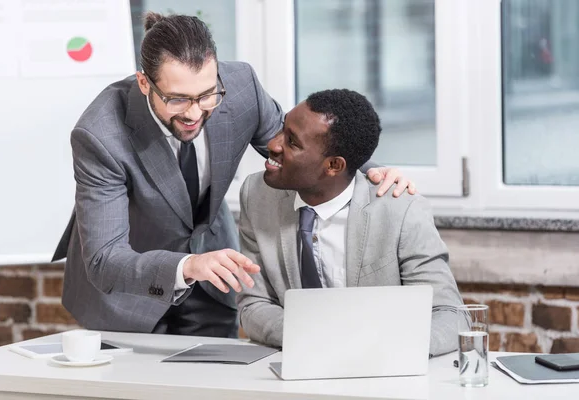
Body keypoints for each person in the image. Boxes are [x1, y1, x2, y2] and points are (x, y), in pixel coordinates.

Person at [52, 12, 416, 338]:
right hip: (126, 295)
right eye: (178, 99)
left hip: (214, 276)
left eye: (207, 95)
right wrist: (188, 265)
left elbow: (297, 151)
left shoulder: (240, 87)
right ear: (145, 83)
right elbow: (104, 259)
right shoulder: (100, 135)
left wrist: (369, 168)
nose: (195, 113)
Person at [236, 89, 463, 356]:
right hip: (297, 364)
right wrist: (320, 339)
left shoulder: (401, 210)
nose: (273, 145)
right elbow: (254, 304)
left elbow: (450, 315)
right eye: (282, 130)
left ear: (333, 166)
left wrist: (381, 349)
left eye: (292, 142)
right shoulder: (257, 194)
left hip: (382, 372)